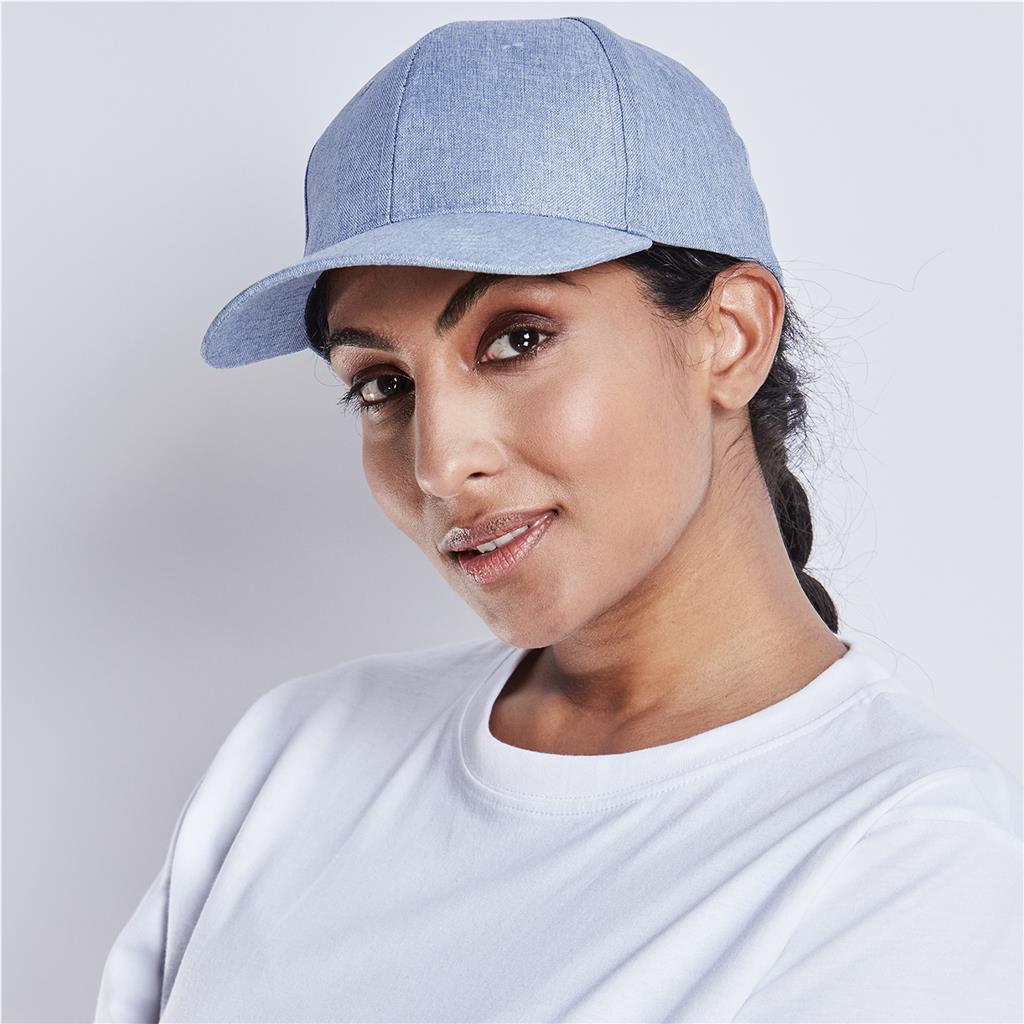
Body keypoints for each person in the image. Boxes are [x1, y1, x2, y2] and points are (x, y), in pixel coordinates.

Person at [94, 16, 1022, 1023]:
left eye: (517, 339)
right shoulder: (296, 757)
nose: (439, 462)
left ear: (730, 336)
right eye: (382, 383)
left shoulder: (902, 855)